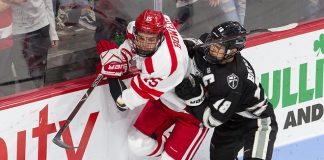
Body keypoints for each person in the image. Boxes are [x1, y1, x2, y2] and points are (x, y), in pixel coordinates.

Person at [96, 9, 208, 160]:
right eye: (141, 38)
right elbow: (131, 42)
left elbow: (122, 103)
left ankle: (172, 152)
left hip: (191, 111)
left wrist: (112, 74)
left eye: (151, 40)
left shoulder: (164, 64)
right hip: (163, 101)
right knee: (137, 143)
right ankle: (169, 149)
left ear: (161, 37)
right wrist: (121, 56)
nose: (144, 45)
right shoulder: (155, 24)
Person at [175, 21, 278, 160]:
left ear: (232, 51)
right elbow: (196, 43)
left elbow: (212, 120)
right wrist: (184, 46)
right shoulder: (208, 44)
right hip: (230, 119)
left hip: (257, 122)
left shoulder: (230, 81)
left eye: (218, 47)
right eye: (213, 41)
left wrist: (194, 99)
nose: (212, 48)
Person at [10, 0, 59, 90]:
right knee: (23, 74)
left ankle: (39, 98)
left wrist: (53, 33)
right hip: (17, 31)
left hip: (40, 27)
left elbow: (48, 4)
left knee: (38, 73)